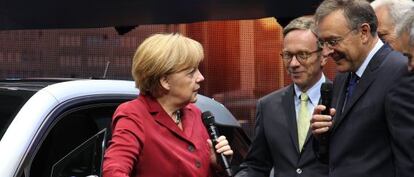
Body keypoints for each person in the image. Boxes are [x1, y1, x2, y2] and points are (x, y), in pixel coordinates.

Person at [102, 33, 233, 177]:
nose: (201, 77)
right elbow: (114, 171)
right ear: (165, 81)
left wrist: (216, 166)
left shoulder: (194, 113)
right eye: (191, 72)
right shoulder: (134, 114)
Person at [311, 0, 414, 177]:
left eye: (333, 41)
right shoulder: (343, 76)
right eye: (323, 43)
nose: (327, 52)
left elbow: (409, 158)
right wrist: (321, 136)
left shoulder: (401, 71)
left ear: (364, 32)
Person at [235, 16, 329, 177]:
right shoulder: (268, 106)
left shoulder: (343, 99)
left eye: (302, 55)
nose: (293, 63)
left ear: (324, 56)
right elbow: (256, 165)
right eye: (287, 55)